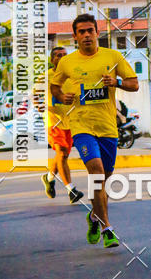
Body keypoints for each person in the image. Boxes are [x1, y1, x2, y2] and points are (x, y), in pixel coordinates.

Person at [51, 14, 138, 248]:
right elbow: (55, 86)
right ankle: (107, 229)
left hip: (108, 127)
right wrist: (61, 96)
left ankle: (94, 216)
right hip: (81, 126)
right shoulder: (67, 62)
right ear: (75, 36)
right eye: (81, 32)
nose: (86, 35)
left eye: (90, 30)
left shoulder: (113, 56)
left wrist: (116, 83)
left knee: (104, 182)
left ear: (97, 33)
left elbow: (134, 83)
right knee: (97, 172)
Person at [41, 46, 84, 204]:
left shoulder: (73, 76)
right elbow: (36, 96)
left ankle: (49, 177)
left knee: (63, 154)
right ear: (52, 60)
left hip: (70, 120)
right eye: (58, 55)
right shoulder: (46, 77)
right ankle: (71, 190)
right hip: (54, 120)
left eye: (65, 55)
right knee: (61, 153)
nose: (62, 57)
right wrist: (39, 105)